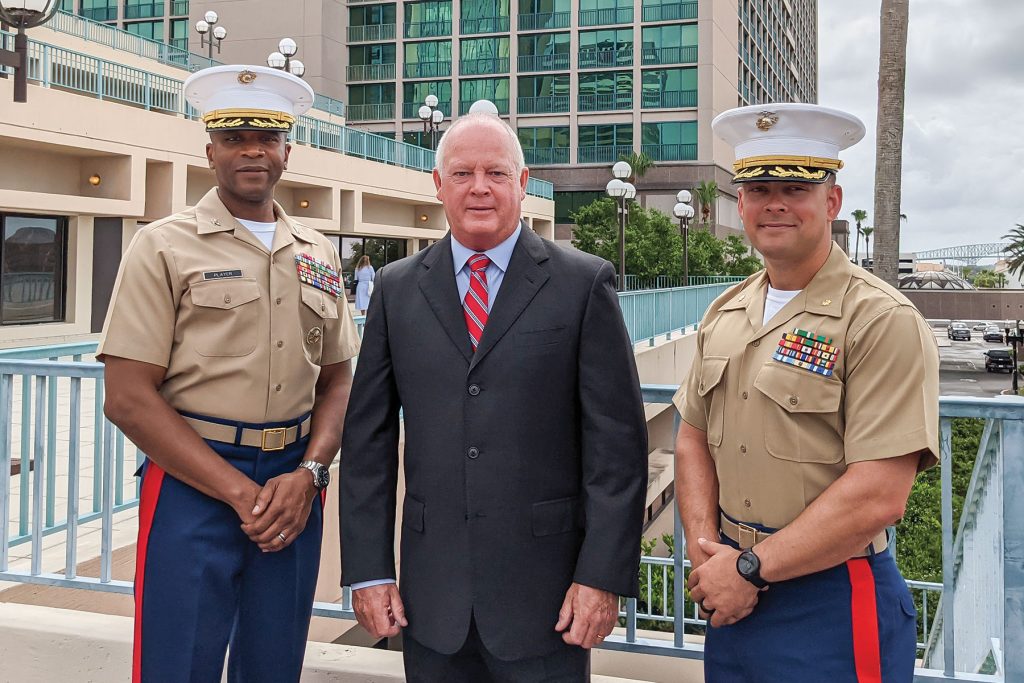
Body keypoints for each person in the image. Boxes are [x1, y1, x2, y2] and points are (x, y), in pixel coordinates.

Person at [339, 112, 648, 682]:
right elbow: (367, 443)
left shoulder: (583, 283)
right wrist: (367, 571)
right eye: (462, 173)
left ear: (522, 181)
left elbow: (617, 451)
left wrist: (601, 578)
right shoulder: (395, 288)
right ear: (438, 185)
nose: (479, 187)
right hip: (431, 604)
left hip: (550, 604)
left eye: (495, 173)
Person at [97, 64, 360, 683]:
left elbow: (339, 381)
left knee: (274, 663)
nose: (252, 151)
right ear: (209, 148)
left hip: (294, 486)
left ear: (287, 152)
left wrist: (311, 474)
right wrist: (240, 492)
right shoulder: (163, 246)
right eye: (235, 136)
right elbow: (128, 397)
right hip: (193, 479)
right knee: (176, 661)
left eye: (267, 138)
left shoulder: (317, 251)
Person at [674, 103, 939, 682]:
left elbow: (879, 495)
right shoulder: (726, 311)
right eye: (759, 186)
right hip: (731, 592)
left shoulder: (879, 319)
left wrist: (748, 568)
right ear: (739, 203)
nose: (775, 203)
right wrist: (705, 551)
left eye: (795, 186)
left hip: (832, 599)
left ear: (832, 201)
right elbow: (691, 439)